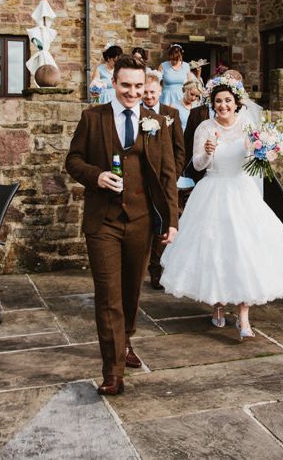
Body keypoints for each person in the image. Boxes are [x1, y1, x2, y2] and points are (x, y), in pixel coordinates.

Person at [160, 75, 283, 340]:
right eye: (218, 101)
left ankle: (243, 318)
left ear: (237, 102)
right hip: (212, 191)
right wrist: (208, 151)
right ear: (212, 103)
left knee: (244, 252)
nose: (223, 105)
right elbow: (197, 165)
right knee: (215, 251)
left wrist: (267, 149)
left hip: (242, 193)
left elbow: (257, 161)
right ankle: (217, 306)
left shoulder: (248, 126)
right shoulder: (204, 128)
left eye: (227, 100)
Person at [66, 55, 178, 396]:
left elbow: (167, 174)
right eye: (125, 85)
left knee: (131, 293)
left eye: (138, 86)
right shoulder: (92, 118)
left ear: (146, 87)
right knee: (108, 296)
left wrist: (171, 220)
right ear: (113, 84)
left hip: (142, 220)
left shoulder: (157, 122)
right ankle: (112, 371)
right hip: (103, 221)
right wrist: (95, 175)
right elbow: (73, 160)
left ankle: (125, 339)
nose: (132, 93)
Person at [142, 70, 184, 290]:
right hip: (142, 180)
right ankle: (145, 266)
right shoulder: (136, 113)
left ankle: (158, 270)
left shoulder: (171, 114)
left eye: (152, 92)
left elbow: (179, 149)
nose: (149, 97)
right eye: (145, 92)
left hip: (165, 178)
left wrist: (172, 175)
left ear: (160, 91)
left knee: (164, 222)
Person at [159, 44, 192, 108]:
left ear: (181, 56)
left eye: (176, 59)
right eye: (172, 59)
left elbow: (190, 84)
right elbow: (157, 83)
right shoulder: (163, 65)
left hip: (181, 97)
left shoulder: (186, 66)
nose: (174, 61)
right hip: (166, 98)